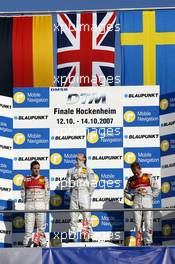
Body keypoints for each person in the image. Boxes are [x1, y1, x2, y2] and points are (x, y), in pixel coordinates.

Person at [124, 162, 160, 246]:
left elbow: (157, 188)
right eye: (134, 172)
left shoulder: (148, 176)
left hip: (147, 202)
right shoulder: (131, 180)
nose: (136, 174)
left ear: (140, 169)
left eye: (137, 172)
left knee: (148, 222)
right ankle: (138, 242)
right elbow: (126, 192)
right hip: (136, 203)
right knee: (137, 224)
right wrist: (132, 198)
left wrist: (151, 197)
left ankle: (148, 242)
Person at [66, 153, 95, 242]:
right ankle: (72, 236)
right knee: (73, 217)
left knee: (86, 216)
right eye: (76, 158)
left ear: (84, 159)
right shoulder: (71, 170)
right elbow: (68, 183)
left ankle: (87, 236)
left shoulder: (88, 170)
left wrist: (88, 194)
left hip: (84, 194)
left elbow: (92, 184)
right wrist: (71, 192)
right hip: (74, 194)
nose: (77, 159)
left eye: (79, 157)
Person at [21, 160, 50, 247]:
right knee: (28, 228)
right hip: (29, 205)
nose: (37, 170)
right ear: (31, 169)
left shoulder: (44, 179)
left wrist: (44, 204)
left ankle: (43, 245)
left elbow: (47, 193)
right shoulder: (26, 179)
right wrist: (26, 203)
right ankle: (27, 245)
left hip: (40, 205)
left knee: (41, 228)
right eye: (34, 168)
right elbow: (23, 192)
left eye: (38, 168)